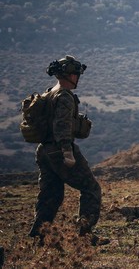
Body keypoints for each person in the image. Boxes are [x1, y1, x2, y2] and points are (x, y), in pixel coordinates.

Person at [28, 55, 108, 245]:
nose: (77, 77)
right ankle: (85, 236)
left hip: (44, 150)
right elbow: (62, 125)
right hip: (59, 149)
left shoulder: (49, 93)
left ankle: (40, 235)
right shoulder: (64, 96)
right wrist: (67, 151)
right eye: (75, 73)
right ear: (68, 75)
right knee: (91, 188)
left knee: (51, 194)